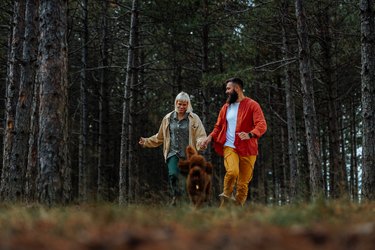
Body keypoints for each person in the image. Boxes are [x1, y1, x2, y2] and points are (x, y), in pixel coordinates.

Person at [201, 78, 267, 207]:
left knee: (243, 184)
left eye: (228, 89)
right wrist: (209, 138)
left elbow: (262, 124)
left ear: (237, 89)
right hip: (230, 146)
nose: (226, 92)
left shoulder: (252, 105)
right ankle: (225, 199)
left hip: (248, 149)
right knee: (232, 172)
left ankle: (236, 211)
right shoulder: (226, 107)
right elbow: (218, 127)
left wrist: (250, 134)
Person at [139, 91, 207, 206]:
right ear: (176, 103)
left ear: (188, 105)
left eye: (184, 104)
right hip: (172, 153)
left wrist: (201, 144)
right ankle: (177, 197)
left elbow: (201, 136)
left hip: (188, 155)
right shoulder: (168, 118)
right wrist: (146, 142)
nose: (181, 106)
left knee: (188, 180)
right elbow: (160, 137)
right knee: (173, 175)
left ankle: (187, 201)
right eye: (179, 104)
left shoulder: (194, 118)